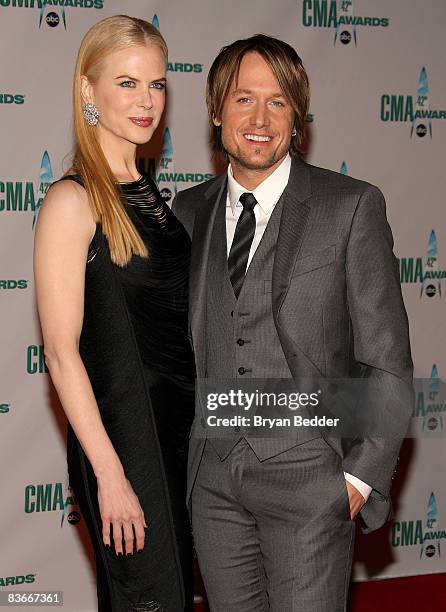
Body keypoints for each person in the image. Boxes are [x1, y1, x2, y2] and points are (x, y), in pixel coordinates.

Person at [172, 34, 413, 611]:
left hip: (311, 479)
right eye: (243, 99)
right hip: (213, 483)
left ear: (298, 116)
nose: (259, 118)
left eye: (278, 101)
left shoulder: (349, 206)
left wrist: (355, 482)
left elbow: (387, 358)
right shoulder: (187, 212)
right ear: (215, 111)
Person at [34, 15, 194, 612]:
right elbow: (59, 351)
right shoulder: (71, 201)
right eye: (127, 83)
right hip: (126, 441)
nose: (146, 101)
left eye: (156, 84)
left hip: (178, 431)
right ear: (87, 90)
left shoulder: (149, 191)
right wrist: (111, 475)